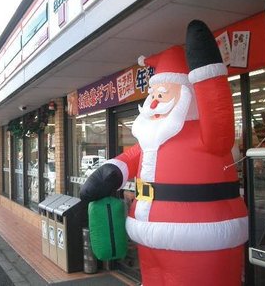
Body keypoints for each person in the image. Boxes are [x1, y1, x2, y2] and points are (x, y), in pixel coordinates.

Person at [80, 21, 248, 286]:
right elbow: (131, 157)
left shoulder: (209, 135)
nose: (155, 101)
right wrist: (110, 172)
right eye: (153, 94)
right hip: (147, 238)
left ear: (189, 94)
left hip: (198, 239)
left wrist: (206, 71)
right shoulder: (151, 136)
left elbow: (217, 108)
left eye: (162, 93)